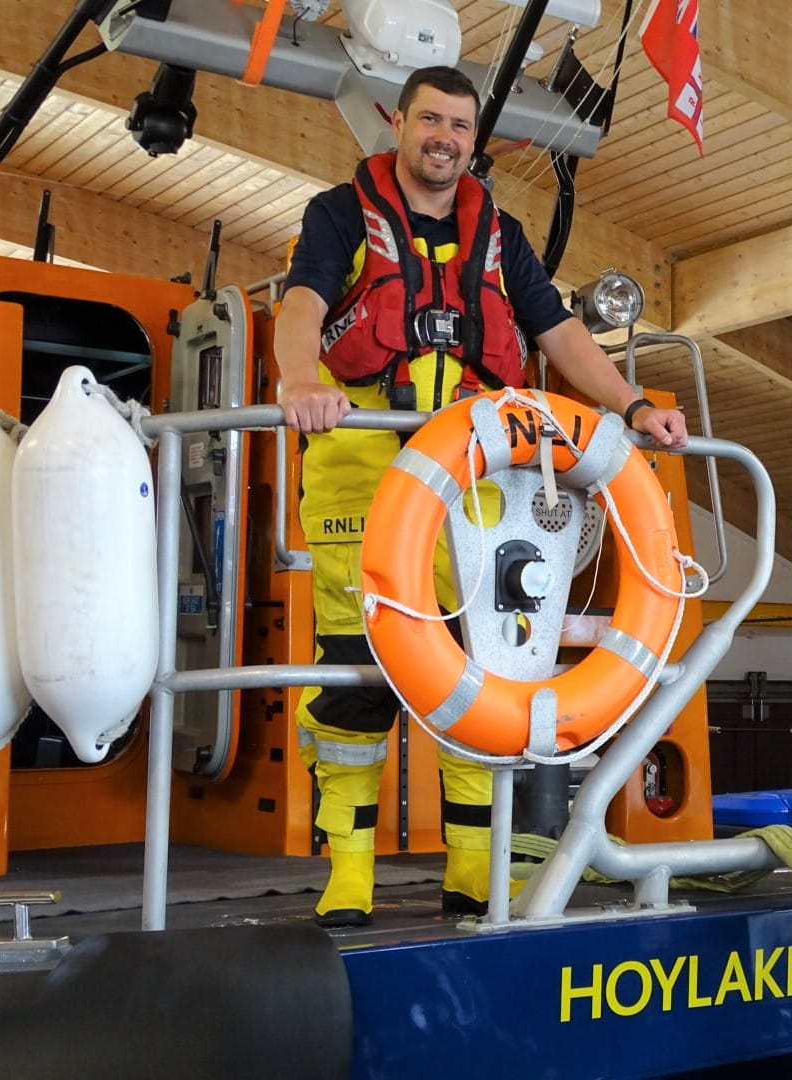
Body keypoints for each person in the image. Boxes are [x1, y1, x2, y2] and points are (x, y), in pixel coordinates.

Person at [274, 65, 687, 927]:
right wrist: (296, 378)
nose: (445, 140)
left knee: (482, 674)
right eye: (431, 121)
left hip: (474, 476)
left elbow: (559, 331)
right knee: (358, 675)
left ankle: (473, 865)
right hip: (363, 463)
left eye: (460, 128)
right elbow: (305, 300)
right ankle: (348, 869)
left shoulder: (498, 233)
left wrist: (635, 406)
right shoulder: (338, 213)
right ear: (397, 122)